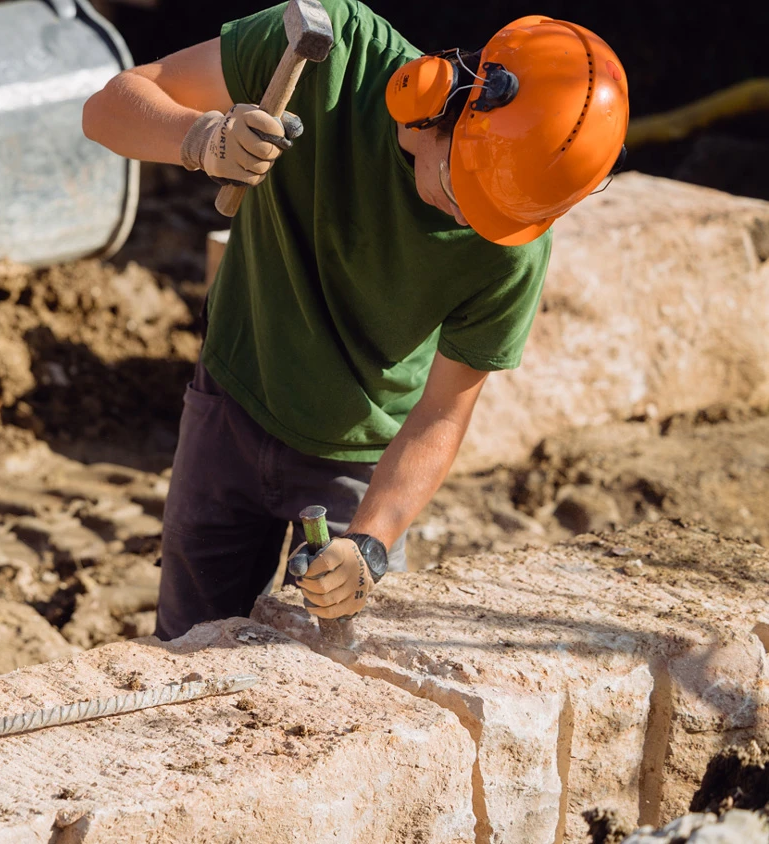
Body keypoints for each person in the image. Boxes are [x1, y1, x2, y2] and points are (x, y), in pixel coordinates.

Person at [81, 1, 628, 639]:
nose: (469, 223)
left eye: (494, 215)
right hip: (230, 406)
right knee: (186, 647)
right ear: (440, 99)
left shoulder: (512, 245)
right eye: (462, 192)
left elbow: (445, 411)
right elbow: (108, 108)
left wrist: (371, 541)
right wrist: (200, 139)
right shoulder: (333, 56)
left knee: (331, 681)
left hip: (363, 470)